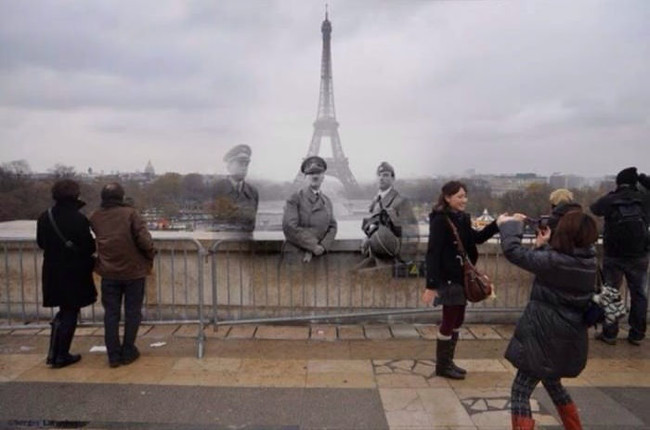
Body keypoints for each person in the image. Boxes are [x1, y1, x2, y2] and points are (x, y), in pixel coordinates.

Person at [497, 210, 599, 430]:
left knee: (520, 391)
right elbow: (557, 270)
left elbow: (513, 252)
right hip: (567, 335)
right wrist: (543, 246)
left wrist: (510, 226)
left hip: (544, 335)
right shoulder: (588, 260)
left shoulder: (555, 261)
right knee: (553, 385)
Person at [421, 181, 499, 380]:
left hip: (461, 276)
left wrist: (498, 224)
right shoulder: (440, 220)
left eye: (465, 196)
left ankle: (448, 362)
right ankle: (443, 365)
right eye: (459, 196)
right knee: (449, 319)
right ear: (447, 197)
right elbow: (433, 252)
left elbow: (477, 238)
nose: (464, 200)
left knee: (458, 319)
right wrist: (431, 285)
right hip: (448, 278)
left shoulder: (462, 218)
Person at [90, 183, 156, 367]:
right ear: (121, 197)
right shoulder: (130, 214)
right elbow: (144, 241)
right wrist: (150, 255)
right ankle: (128, 350)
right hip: (133, 271)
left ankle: (113, 354)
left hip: (109, 271)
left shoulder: (95, 216)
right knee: (132, 312)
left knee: (111, 314)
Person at [36, 179, 97, 368]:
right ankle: (60, 355)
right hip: (74, 271)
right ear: (75, 195)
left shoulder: (45, 217)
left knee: (65, 311)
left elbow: (41, 243)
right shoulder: (78, 219)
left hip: (53, 270)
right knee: (70, 311)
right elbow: (88, 247)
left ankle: (56, 353)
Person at [590, 167, 650, 346]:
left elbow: (595, 209)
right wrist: (644, 180)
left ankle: (610, 333)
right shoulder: (644, 199)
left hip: (614, 255)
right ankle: (637, 334)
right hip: (639, 255)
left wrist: (613, 194)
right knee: (639, 295)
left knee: (610, 294)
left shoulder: (611, 200)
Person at [358, 162, 419, 268]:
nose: (381, 178)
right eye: (379, 175)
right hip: (375, 254)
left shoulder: (401, 201)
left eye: (385, 175)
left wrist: (404, 260)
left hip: (391, 259)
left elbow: (412, 231)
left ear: (393, 178)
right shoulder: (375, 201)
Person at [282, 156, 337, 263]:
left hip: (319, 255)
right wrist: (313, 245)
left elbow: (333, 227)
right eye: (311, 173)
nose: (315, 176)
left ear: (323, 177)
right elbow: (289, 227)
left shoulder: (327, 201)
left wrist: (323, 246)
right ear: (305, 177)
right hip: (297, 255)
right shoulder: (295, 198)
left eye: (318, 173)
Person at [212, 144, 259, 234]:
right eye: (240, 163)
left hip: (246, 244)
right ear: (229, 167)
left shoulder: (253, 192)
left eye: (246, 164)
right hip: (221, 244)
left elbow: (251, 225)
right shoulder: (216, 189)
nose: (244, 167)